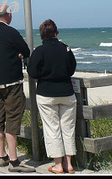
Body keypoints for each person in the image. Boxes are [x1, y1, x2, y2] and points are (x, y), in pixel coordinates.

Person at [0, 5, 35, 173]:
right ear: (9, 16)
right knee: (13, 120)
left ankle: (2, 155)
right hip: (12, 83)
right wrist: (19, 55)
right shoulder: (11, 32)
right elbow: (26, 50)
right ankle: (14, 161)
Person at [27, 19, 77, 174]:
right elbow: (72, 69)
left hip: (46, 94)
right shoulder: (66, 49)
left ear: (42, 35)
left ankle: (58, 164)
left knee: (52, 129)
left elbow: (32, 72)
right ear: (56, 33)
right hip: (67, 92)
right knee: (68, 128)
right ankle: (69, 163)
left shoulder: (39, 51)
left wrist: (45, 73)